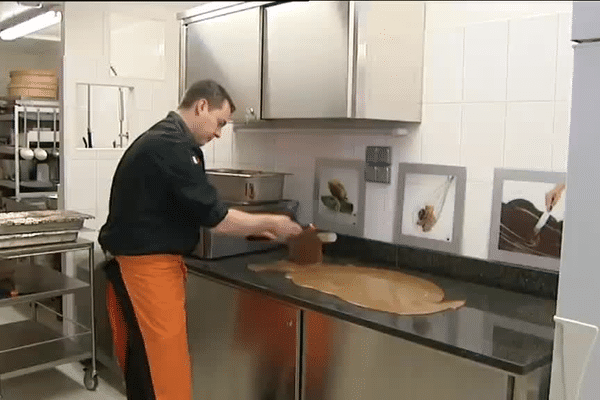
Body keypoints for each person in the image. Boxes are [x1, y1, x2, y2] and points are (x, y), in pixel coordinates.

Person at [98, 79, 303, 400]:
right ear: (201, 106)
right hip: (146, 272)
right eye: (220, 122)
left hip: (144, 266)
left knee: (145, 362)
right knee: (163, 368)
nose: (219, 132)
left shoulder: (166, 140)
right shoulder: (172, 147)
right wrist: (275, 222)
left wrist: (253, 228)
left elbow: (188, 208)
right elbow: (215, 216)